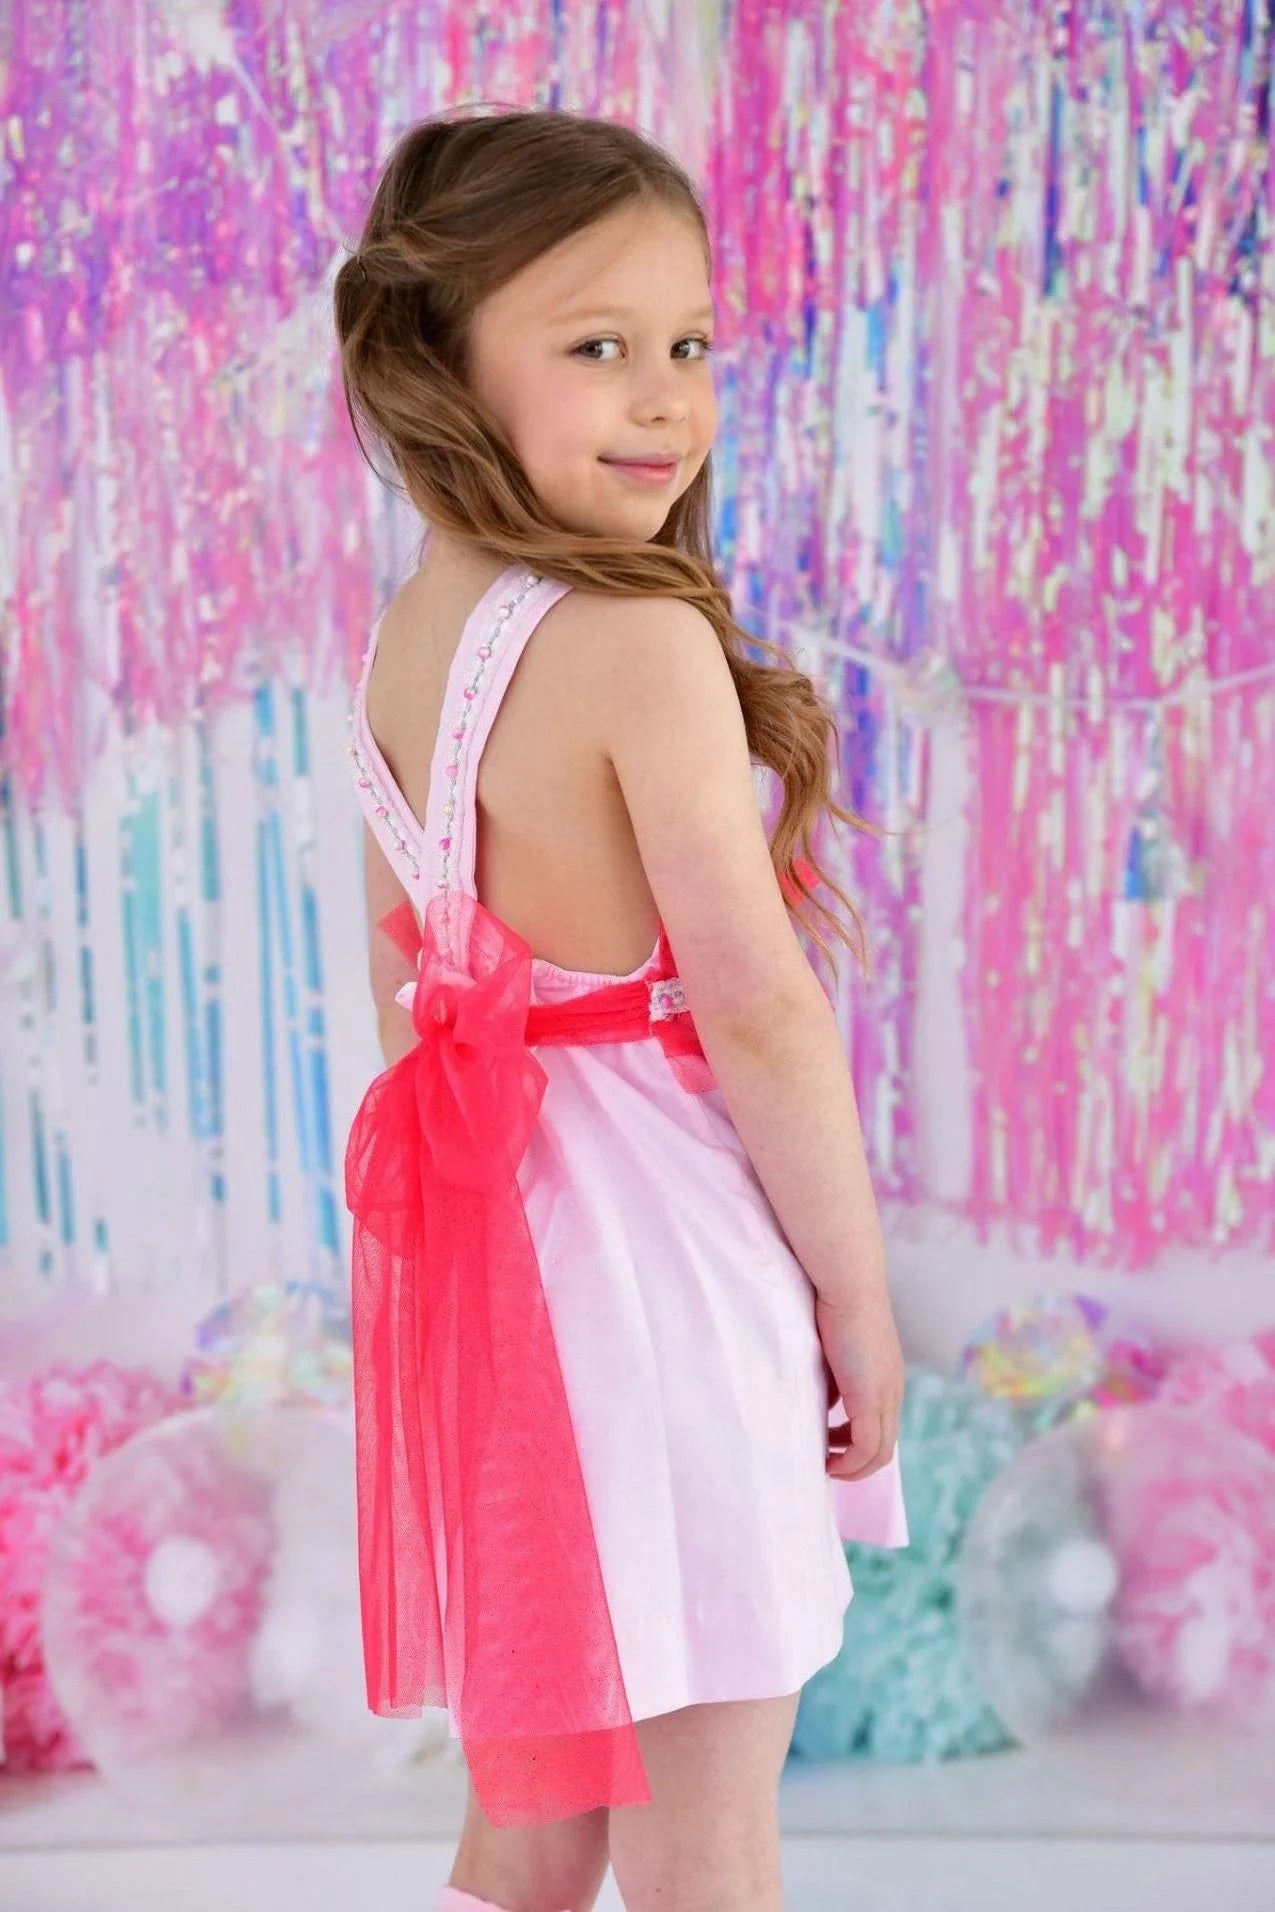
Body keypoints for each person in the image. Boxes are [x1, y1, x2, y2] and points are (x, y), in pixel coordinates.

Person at [333, 105, 908, 1912]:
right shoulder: (631, 639)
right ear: (436, 365)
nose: (665, 400)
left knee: (537, 1822)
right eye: (598, 349)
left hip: (508, 1293)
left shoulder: (408, 637)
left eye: (689, 346)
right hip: (663, 1284)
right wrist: (858, 1304)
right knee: (706, 1824)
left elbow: (403, 988)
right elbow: (760, 1014)